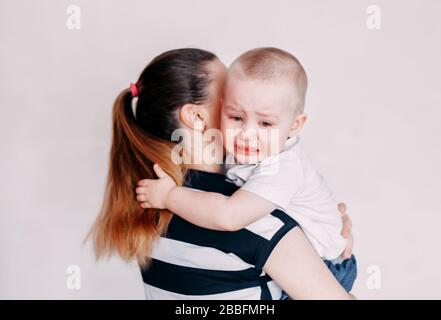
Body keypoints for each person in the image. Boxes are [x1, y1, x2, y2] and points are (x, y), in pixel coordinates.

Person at [89, 48, 355, 299]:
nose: (243, 94)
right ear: (197, 117)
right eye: (228, 92)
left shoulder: (148, 207)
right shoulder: (258, 220)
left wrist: (323, 222)